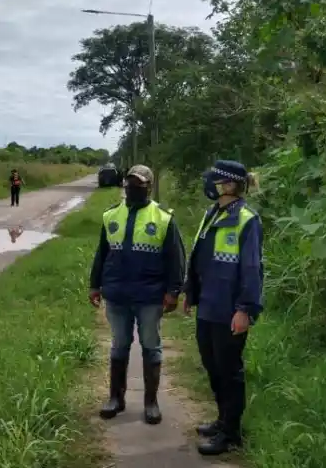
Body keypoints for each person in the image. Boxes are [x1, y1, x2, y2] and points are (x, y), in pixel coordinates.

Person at [88, 165, 185, 425]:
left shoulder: (163, 217)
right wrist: (94, 285)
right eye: (130, 183)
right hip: (117, 293)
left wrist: (173, 291)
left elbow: (175, 258)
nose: (133, 187)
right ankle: (116, 399)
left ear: (149, 186)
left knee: (151, 346)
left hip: (150, 296)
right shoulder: (111, 216)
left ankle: (150, 402)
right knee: (119, 345)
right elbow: (102, 253)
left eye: (139, 184)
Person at [183, 160, 264, 456]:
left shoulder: (247, 219)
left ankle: (231, 434)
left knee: (229, 371)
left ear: (228, 185)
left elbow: (252, 269)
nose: (210, 184)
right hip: (208, 305)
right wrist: (190, 292)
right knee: (212, 366)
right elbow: (200, 256)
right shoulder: (212, 214)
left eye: (215, 180)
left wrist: (245, 309)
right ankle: (222, 419)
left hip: (230, 310)